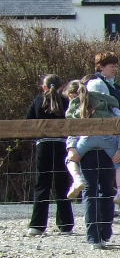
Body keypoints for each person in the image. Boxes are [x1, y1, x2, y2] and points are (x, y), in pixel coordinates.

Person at [69, 79, 120, 249]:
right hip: (109, 152)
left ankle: (93, 237)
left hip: (86, 151)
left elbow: (71, 127)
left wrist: (71, 147)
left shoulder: (81, 106)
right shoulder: (111, 106)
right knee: (107, 191)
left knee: (89, 192)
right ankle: (105, 230)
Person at [25, 75, 74, 237]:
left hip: (43, 146)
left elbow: (28, 123)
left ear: (44, 87)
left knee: (42, 184)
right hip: (61, 146)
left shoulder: (38, 101)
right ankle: (65, 224)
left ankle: (37, 225)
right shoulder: (65, 102)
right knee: (62, 184)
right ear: (61, 87)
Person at [85, 52, 120, 215]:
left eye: (116, 65)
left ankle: (111, 202)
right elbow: (103, 108)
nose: (115, 68)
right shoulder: (96, 85)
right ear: (101, 67)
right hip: (103, 132)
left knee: (113, 167)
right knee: (109, 167)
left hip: (114, 128)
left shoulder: (113, 85)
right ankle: (109, 203)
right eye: (112, 66)